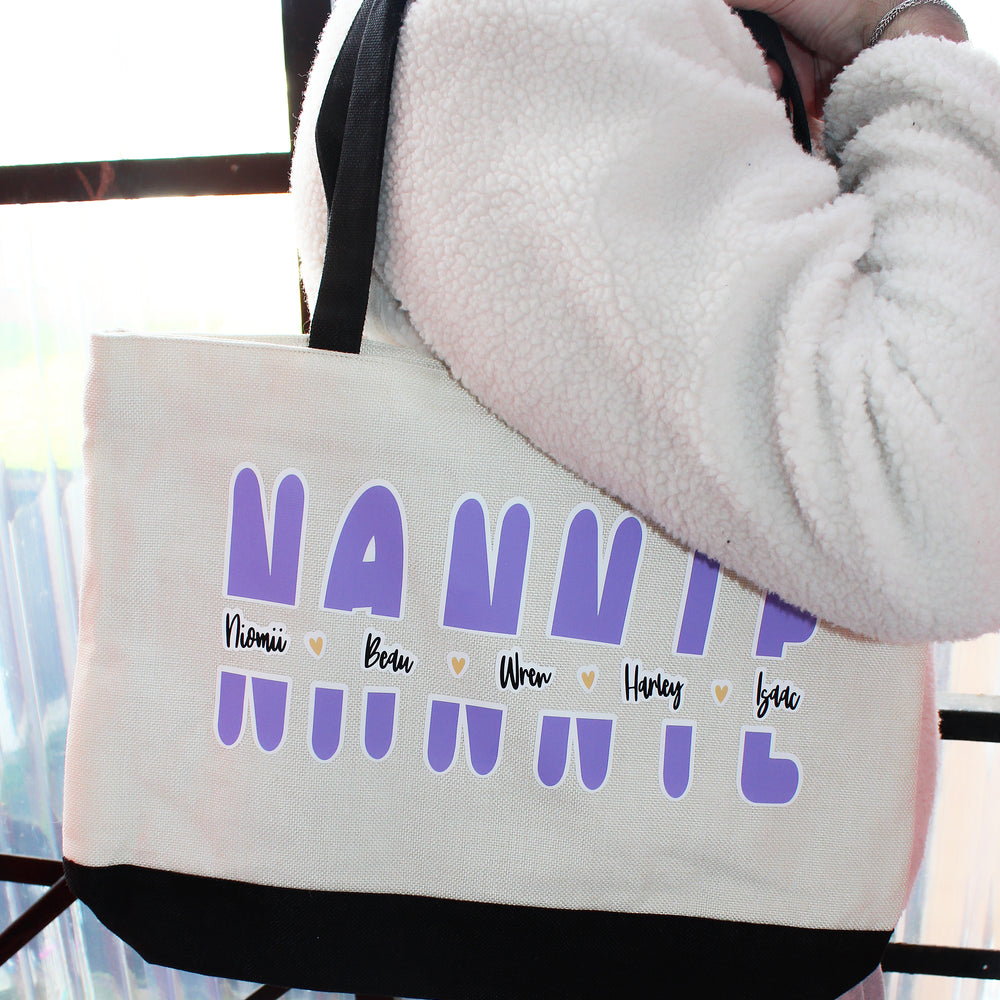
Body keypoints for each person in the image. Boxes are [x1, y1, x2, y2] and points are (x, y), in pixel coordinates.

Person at [290, 2, 997, 996]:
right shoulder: (533, 26)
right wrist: (908, 39)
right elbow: (944, 500)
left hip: (584, 888)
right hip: (640, 914)